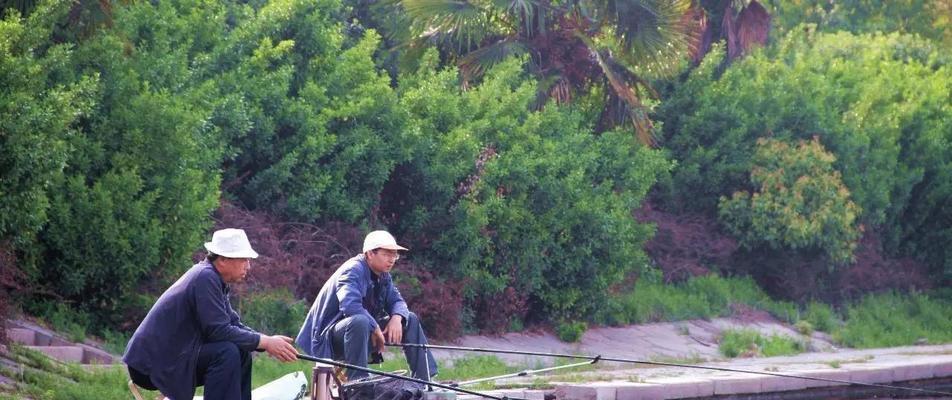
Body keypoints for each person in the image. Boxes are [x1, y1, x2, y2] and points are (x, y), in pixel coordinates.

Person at [123, 228, 298, 400]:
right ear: (222, 260)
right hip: (150, 365)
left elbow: (232, 324)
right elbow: (217, 331)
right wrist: (266, 342)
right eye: (243, 259)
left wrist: (266, 342)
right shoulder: (205, 278)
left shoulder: (213, 278)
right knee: (226, 353)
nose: (248, 266)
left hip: (174, 357)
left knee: (242, 351)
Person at [296, 230, 437, 381]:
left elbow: (397, 301)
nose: (392, 260)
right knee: (360, 321)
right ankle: (359, 384)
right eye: (386, 254)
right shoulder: (353, 270)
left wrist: (397, 317)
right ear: (370, 254)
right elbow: (350, 306)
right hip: (327, 339)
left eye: (394, 255)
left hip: (360, 332)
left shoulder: (383, 276)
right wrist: (375, 326)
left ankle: (424, 380)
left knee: (409, 318)